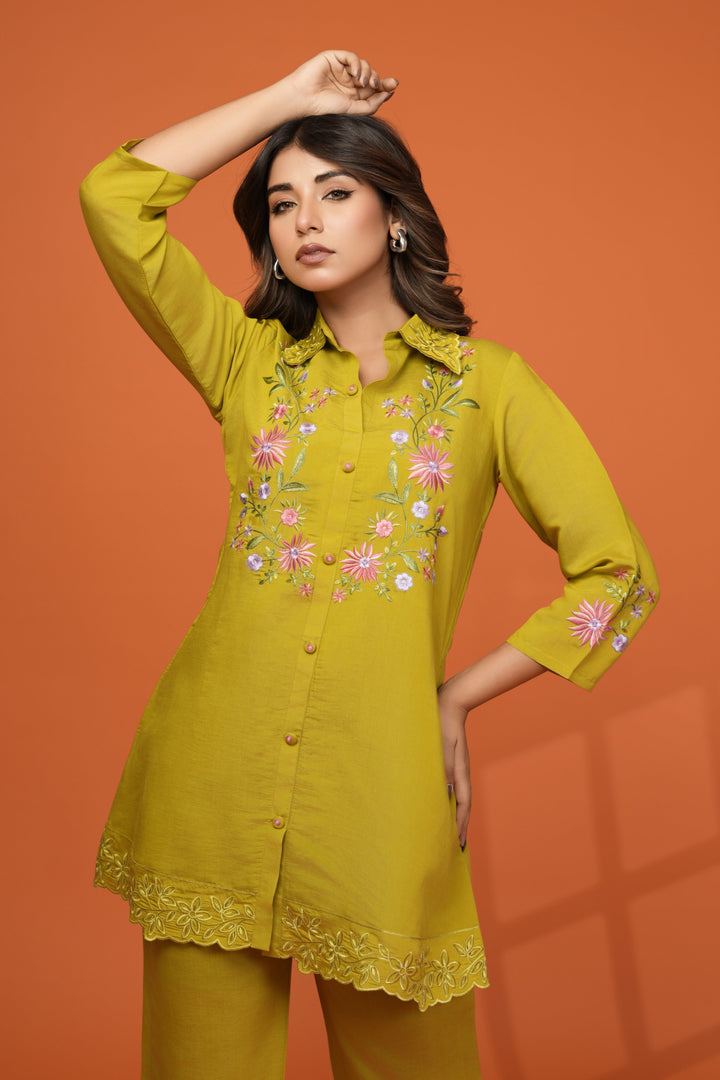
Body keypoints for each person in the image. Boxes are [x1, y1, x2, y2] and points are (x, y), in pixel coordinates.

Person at [80, 49, 659, 1080]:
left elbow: (619, 577)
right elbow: (115, 198)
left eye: (336, 192)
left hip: (380, 793)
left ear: (395, 214)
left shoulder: (489, 389)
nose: (304, 219)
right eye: (282, 203)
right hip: (212, 780)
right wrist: (288, 102)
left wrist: (457, 697)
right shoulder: (245, 361)